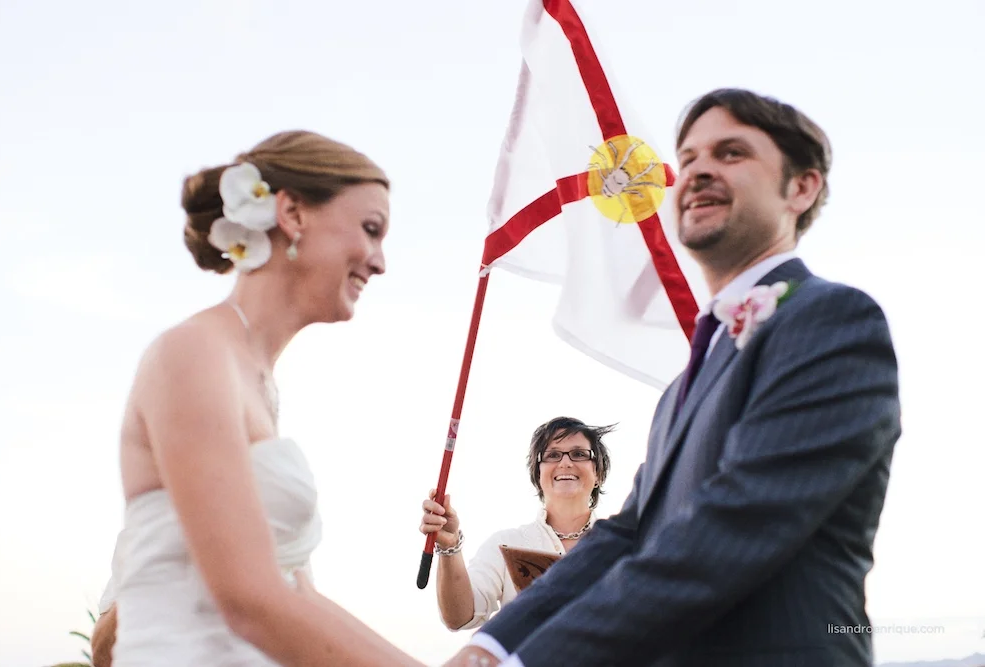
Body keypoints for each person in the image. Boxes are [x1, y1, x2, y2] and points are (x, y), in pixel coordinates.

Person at [445, 88, 901, 667]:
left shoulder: (832, 322)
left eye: (731, 153)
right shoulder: (679, 391)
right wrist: (491, 645)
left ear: (801, 187)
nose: (699, 171)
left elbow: (737, 524)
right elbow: (628, 535)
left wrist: (530, 661)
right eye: (688, 160)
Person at [93, 130, 424, 666]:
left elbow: (301, 598)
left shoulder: (258, 384)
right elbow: (250, 601)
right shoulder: (194, 353)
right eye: (371, 229)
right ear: (292, 213)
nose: (380, 261)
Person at [419, 417, 613, 630]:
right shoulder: (506, 543)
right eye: (553, 455)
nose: (565, 463)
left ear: (598, 474)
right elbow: (459, 617)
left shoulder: (626, 547)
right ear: (537, 474)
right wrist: (449, 547)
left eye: (579, 454)